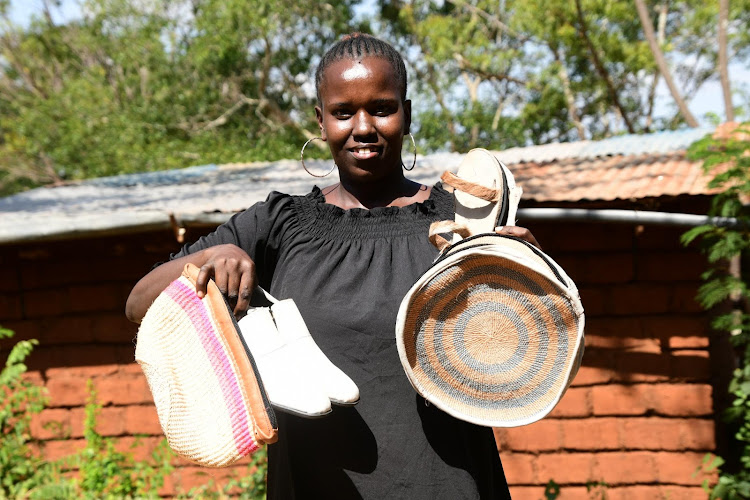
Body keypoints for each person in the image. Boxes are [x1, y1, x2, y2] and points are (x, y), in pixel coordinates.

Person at [126, 33, 539, 500]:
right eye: (344, 113)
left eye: (382, 108)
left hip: (448, 484)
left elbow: (522, 351)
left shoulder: (461, 219)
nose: (363, 127)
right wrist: (208, 258)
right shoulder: (278, 225)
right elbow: (139, 303)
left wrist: (521, 275)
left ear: (407, 113)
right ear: (321, 121)